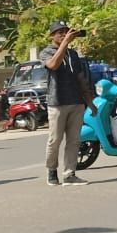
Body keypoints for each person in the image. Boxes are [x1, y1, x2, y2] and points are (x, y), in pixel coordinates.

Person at [42, 20, 92, 186]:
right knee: (54, 140)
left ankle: (70, 174)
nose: (63, 34)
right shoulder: (47, 52)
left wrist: (90, 103)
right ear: (52, 36)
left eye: (66, 31)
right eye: (60, 32)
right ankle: (51, 171)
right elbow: (54, 65)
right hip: (57, 102)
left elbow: (80, 79)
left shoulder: (73, 54)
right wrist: (65, 43)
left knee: (74, 140)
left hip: (76, 102)